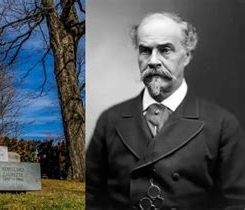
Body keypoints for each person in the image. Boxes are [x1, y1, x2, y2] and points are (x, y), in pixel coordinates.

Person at [86, 12, 245, 209]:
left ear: (187, 56)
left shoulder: (222, 125)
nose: (153, 61)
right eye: (145, 51)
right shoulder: (110, 120)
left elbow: (236, 203)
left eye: (165, 50)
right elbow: (90, 195)